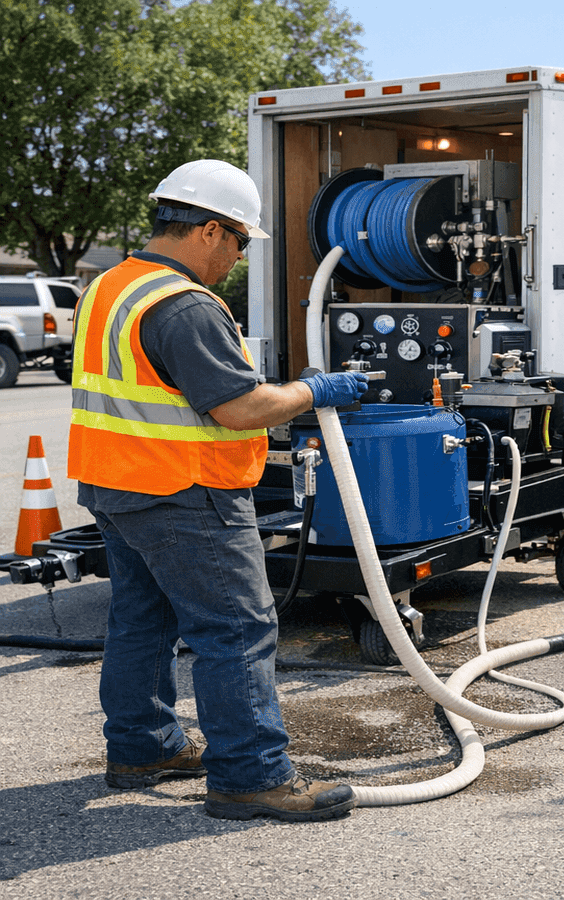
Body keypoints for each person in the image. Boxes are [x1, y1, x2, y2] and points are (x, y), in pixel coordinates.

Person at [68, 159, 369, 822]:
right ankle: (250, 777)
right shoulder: (185, 306)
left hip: (116, 483)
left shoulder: (112, 285)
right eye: (238, 242)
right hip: (185, 491)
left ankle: (143, 747)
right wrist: (314, 390)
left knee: (141, 621)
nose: (236, 258)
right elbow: (238, 407)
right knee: (236, 628)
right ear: (209, 230)